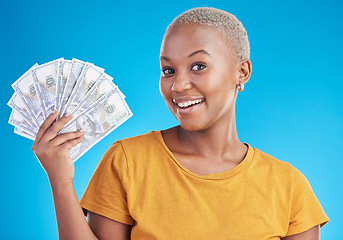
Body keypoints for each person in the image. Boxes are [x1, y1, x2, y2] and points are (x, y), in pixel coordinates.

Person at [32, 7, 329, 240]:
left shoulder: (289, 187)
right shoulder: (127, 162)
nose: (178, 85)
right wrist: (60, 180)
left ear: (242, 73)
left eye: (198, 66)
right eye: (168, 70)